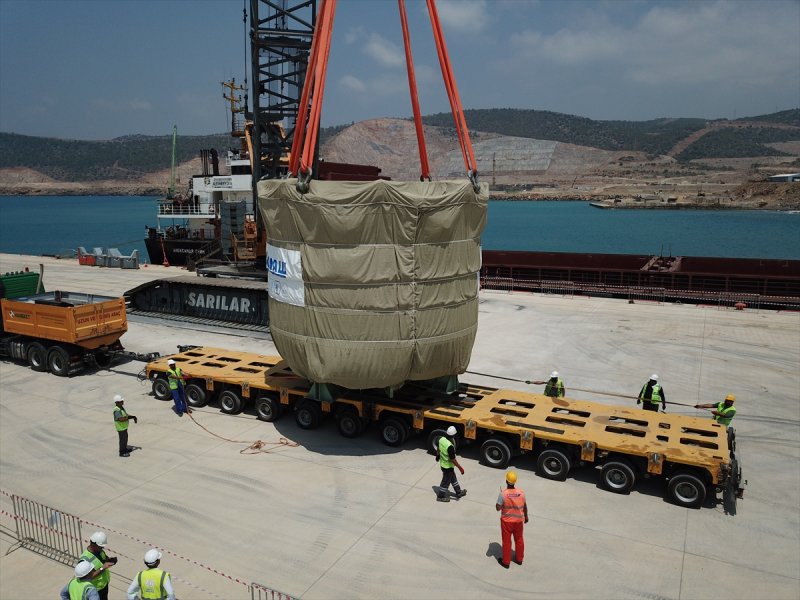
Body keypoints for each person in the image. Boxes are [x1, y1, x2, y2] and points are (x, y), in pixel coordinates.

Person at [495, 470, 528, 569]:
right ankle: (519, 559)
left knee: (507, 542)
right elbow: (525, 506)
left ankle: (506, 562)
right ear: (515, 481)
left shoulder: (503, 494)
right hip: (518, 522)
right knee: (519, 540)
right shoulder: (521, 493)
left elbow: (497, 508)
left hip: (507, 522)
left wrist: (500, 499)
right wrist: (526, 517)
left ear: (506, 481)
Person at [79, 532, 118, 600]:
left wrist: (110, 560)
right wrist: (103, 567)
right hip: (95, 590)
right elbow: (90, 576)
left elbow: (104, 559)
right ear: (93, 544)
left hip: (103, 585)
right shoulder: (85, 559)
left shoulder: (99, 551)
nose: (102, 548)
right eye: (100, 547)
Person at [435, 426, 467, 502]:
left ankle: (458, 492)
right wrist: (460, 468)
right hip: (447, 467)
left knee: (453, 478)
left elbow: (438, 448)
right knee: (445, 482)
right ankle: (440, 496)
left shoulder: (441, 439)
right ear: (454, 435)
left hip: (443, 464)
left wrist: (437, 455)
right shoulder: (450, 446)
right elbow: (453, 459)